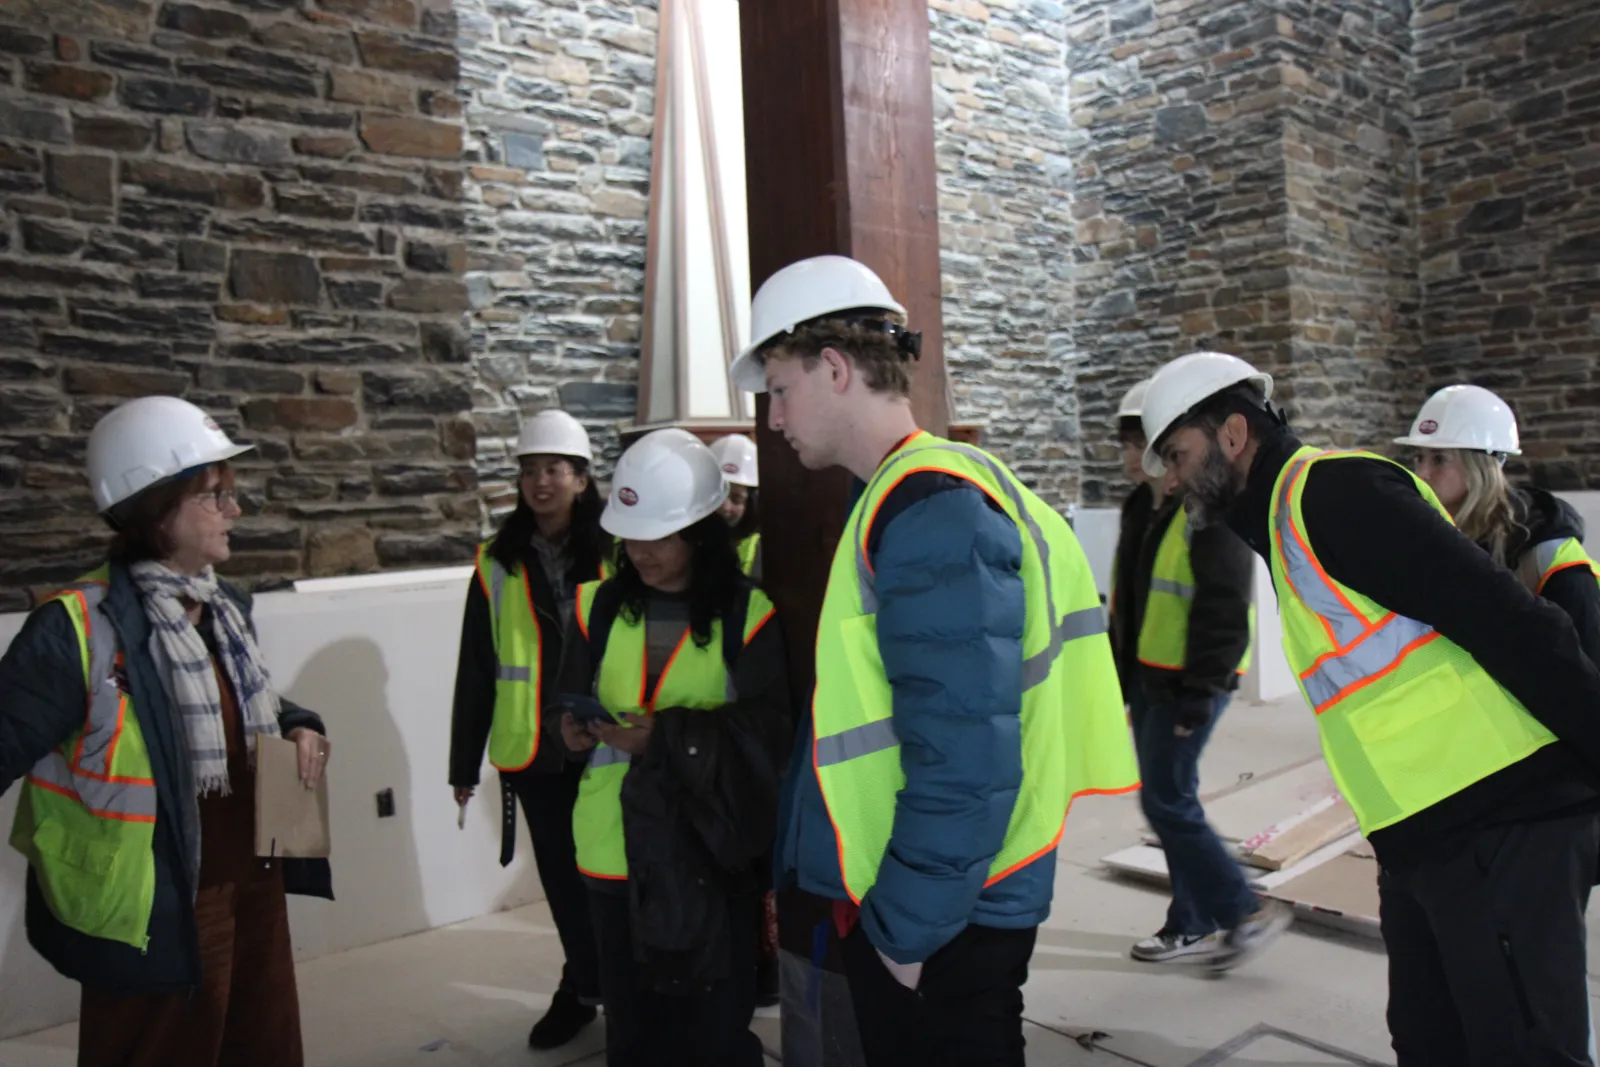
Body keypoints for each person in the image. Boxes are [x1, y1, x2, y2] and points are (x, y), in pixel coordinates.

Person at [731, 254, 1139, 1067]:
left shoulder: (931, 509)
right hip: (954, 890)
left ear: (836, 369)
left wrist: (904, 934)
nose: (771, 419)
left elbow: (965, 753)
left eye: (779, 389)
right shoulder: (921, 491)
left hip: (949, 909)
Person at [1140, 351, 1600, 1065]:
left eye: (1176, 453)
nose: (1169, 477)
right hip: (1422, 837)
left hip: (1505, 824)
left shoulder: (1335, 494)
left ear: (1233, 434)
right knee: (1427, 1038)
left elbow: (1518, 624)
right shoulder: (1284, 527)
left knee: (1522, 1050)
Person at [0, 396, 332, 1067]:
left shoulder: (221, 609)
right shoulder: (76, 628)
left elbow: (247, 702)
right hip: (155, 903)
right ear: (156, 507)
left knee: (261, 1045)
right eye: (216, 494)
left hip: (254, 879)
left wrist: (296, 724)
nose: (235, 509)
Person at [553, 428, 790, 1067]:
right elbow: (568, 704)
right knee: (633, 1029)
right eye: (630, 536)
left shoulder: (750, 614)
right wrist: (571, 733)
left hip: (704, 852)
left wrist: (666, 737)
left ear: (700, 530)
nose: (640, 552)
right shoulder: (595, 608)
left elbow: (771, 731)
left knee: (712, 1026)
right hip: (612, 846)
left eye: (657, 536)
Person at [448, 409, 611, 1049]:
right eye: (529, 470)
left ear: (580, 477)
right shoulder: (496, 561)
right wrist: (463, 765)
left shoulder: (617, 548)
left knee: (617, 879)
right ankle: (582, 990)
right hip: (538, 754)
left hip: (608, 747)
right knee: (567, 888)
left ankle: (620, 988)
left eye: (553, 469)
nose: (540, 482)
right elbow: (477, 667)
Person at [1108, 379, 1267, 966]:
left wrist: (1201, 695)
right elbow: (1128, 602)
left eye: (1139, 442)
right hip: (1151, 680)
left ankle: (1241, 907)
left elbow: (1226, 607)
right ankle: (1193, 919)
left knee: (1166, 801)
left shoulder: (1206, 511)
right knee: (1172, 797)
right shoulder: (1139, 509)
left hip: (1190, 684)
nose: (1129, 455)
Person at [1398, 385, 1600, 637]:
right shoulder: (1426, 537)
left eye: (1439, 459)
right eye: (1419, 457)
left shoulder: (1546, 555)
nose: (1421, 473)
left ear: (1482, 466)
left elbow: (1588, 663)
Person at [711, 434, 762, 579]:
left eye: (737, 499)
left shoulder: (765, 552)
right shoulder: (685, 545)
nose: (725, 507)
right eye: (718, 496)